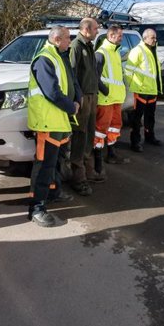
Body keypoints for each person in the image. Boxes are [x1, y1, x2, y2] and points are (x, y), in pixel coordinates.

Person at [27, 26, 81, 227]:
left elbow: (69, 83)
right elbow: (52, 92)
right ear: (57, 39)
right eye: (68, 38)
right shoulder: (45, 59)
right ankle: (37, 208)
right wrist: (72, 106)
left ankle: (52, 193)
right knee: (44, 166)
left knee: (55, 162)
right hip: (47, 122)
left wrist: (77, 100)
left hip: (58, 120)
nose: (70, 41)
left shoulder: (59, 56)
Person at [69, 17, 101, 195]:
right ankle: (78, 178)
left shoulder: (89, 45)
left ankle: (87, 172)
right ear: (87, 29)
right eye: (96, 28)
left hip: (92, 96)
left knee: (89, 135)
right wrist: (77, 98)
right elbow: (73, 75)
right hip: (82, 99)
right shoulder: (76, 46)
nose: (98, 31)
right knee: (80, 137)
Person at [93, 25, 130, 170]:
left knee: (114, 127)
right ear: (111, 35)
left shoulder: (115, 52)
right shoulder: (101, 53)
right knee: (100, 129)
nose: (122, 38)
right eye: (120, 35)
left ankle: (111, 154)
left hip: (116, 99)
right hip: (106, 99)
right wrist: (106, 91)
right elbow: (95, 77)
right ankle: (97, 161)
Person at [125, 28, 162, 152]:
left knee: (150, 117)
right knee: (136, 119)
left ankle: (150, 137)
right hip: (140, 91)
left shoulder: (153, 50)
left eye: (155, 38)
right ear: (145, 38)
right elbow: (128, 71)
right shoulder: (138, 51)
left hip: (151, 90)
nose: (155, 40)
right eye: (153, 38)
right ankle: (135, 142)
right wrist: (134, 87)